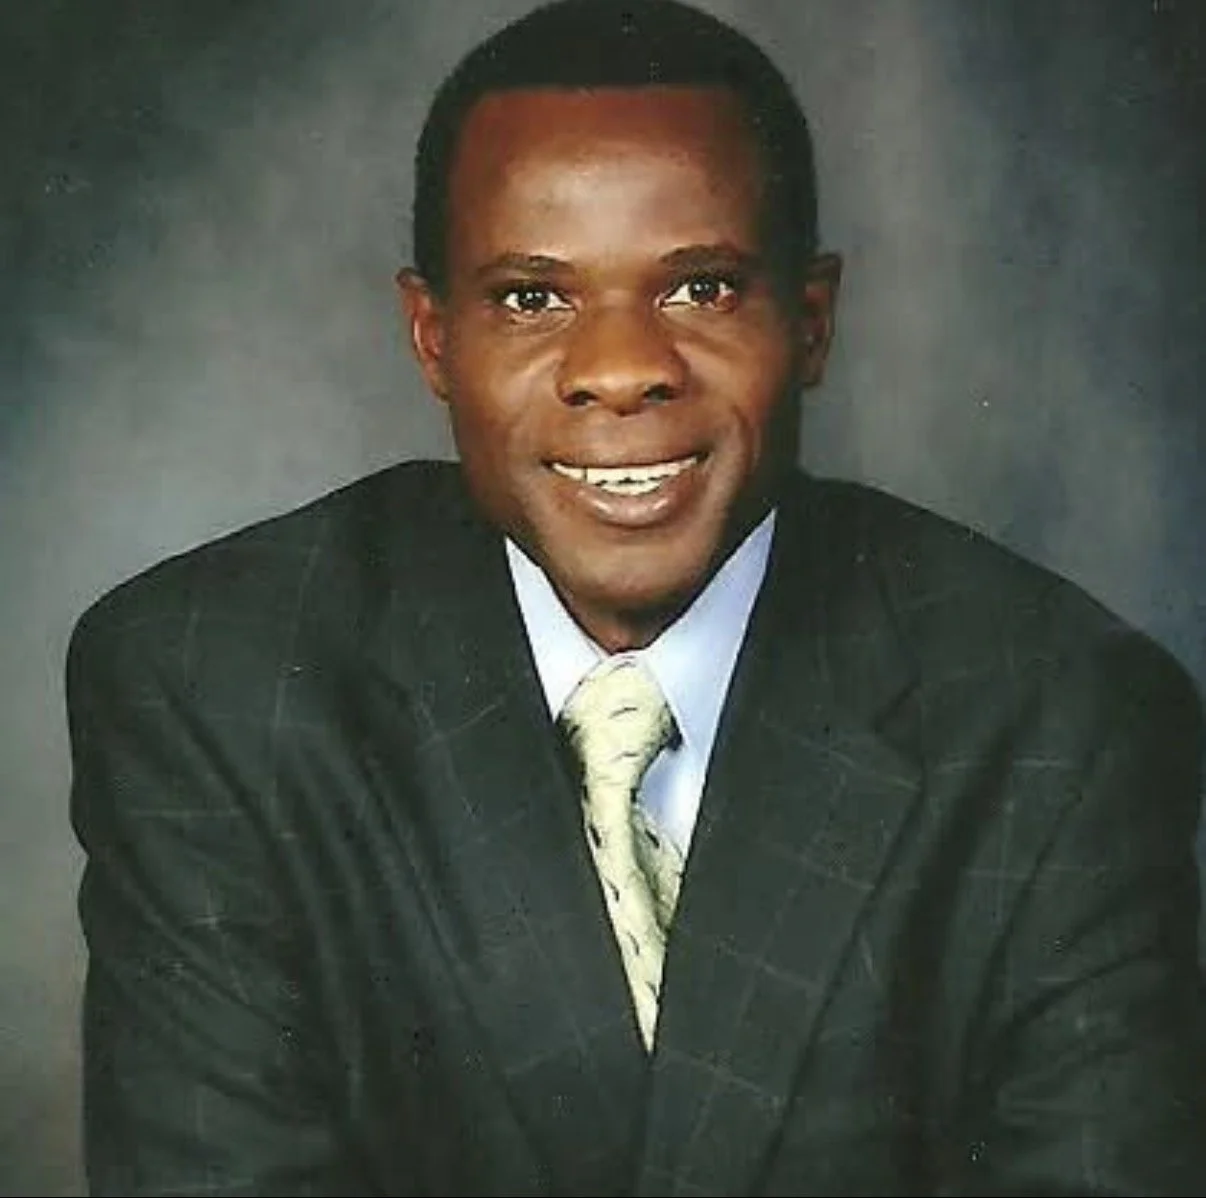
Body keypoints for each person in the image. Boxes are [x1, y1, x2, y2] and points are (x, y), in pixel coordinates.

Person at [66, 1, 1206, 1193]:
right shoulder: (212, 684)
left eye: (702, 289)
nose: (619, 372)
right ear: (432, 338)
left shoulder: (1061, 712)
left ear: (809, 323)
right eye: (531, 298)